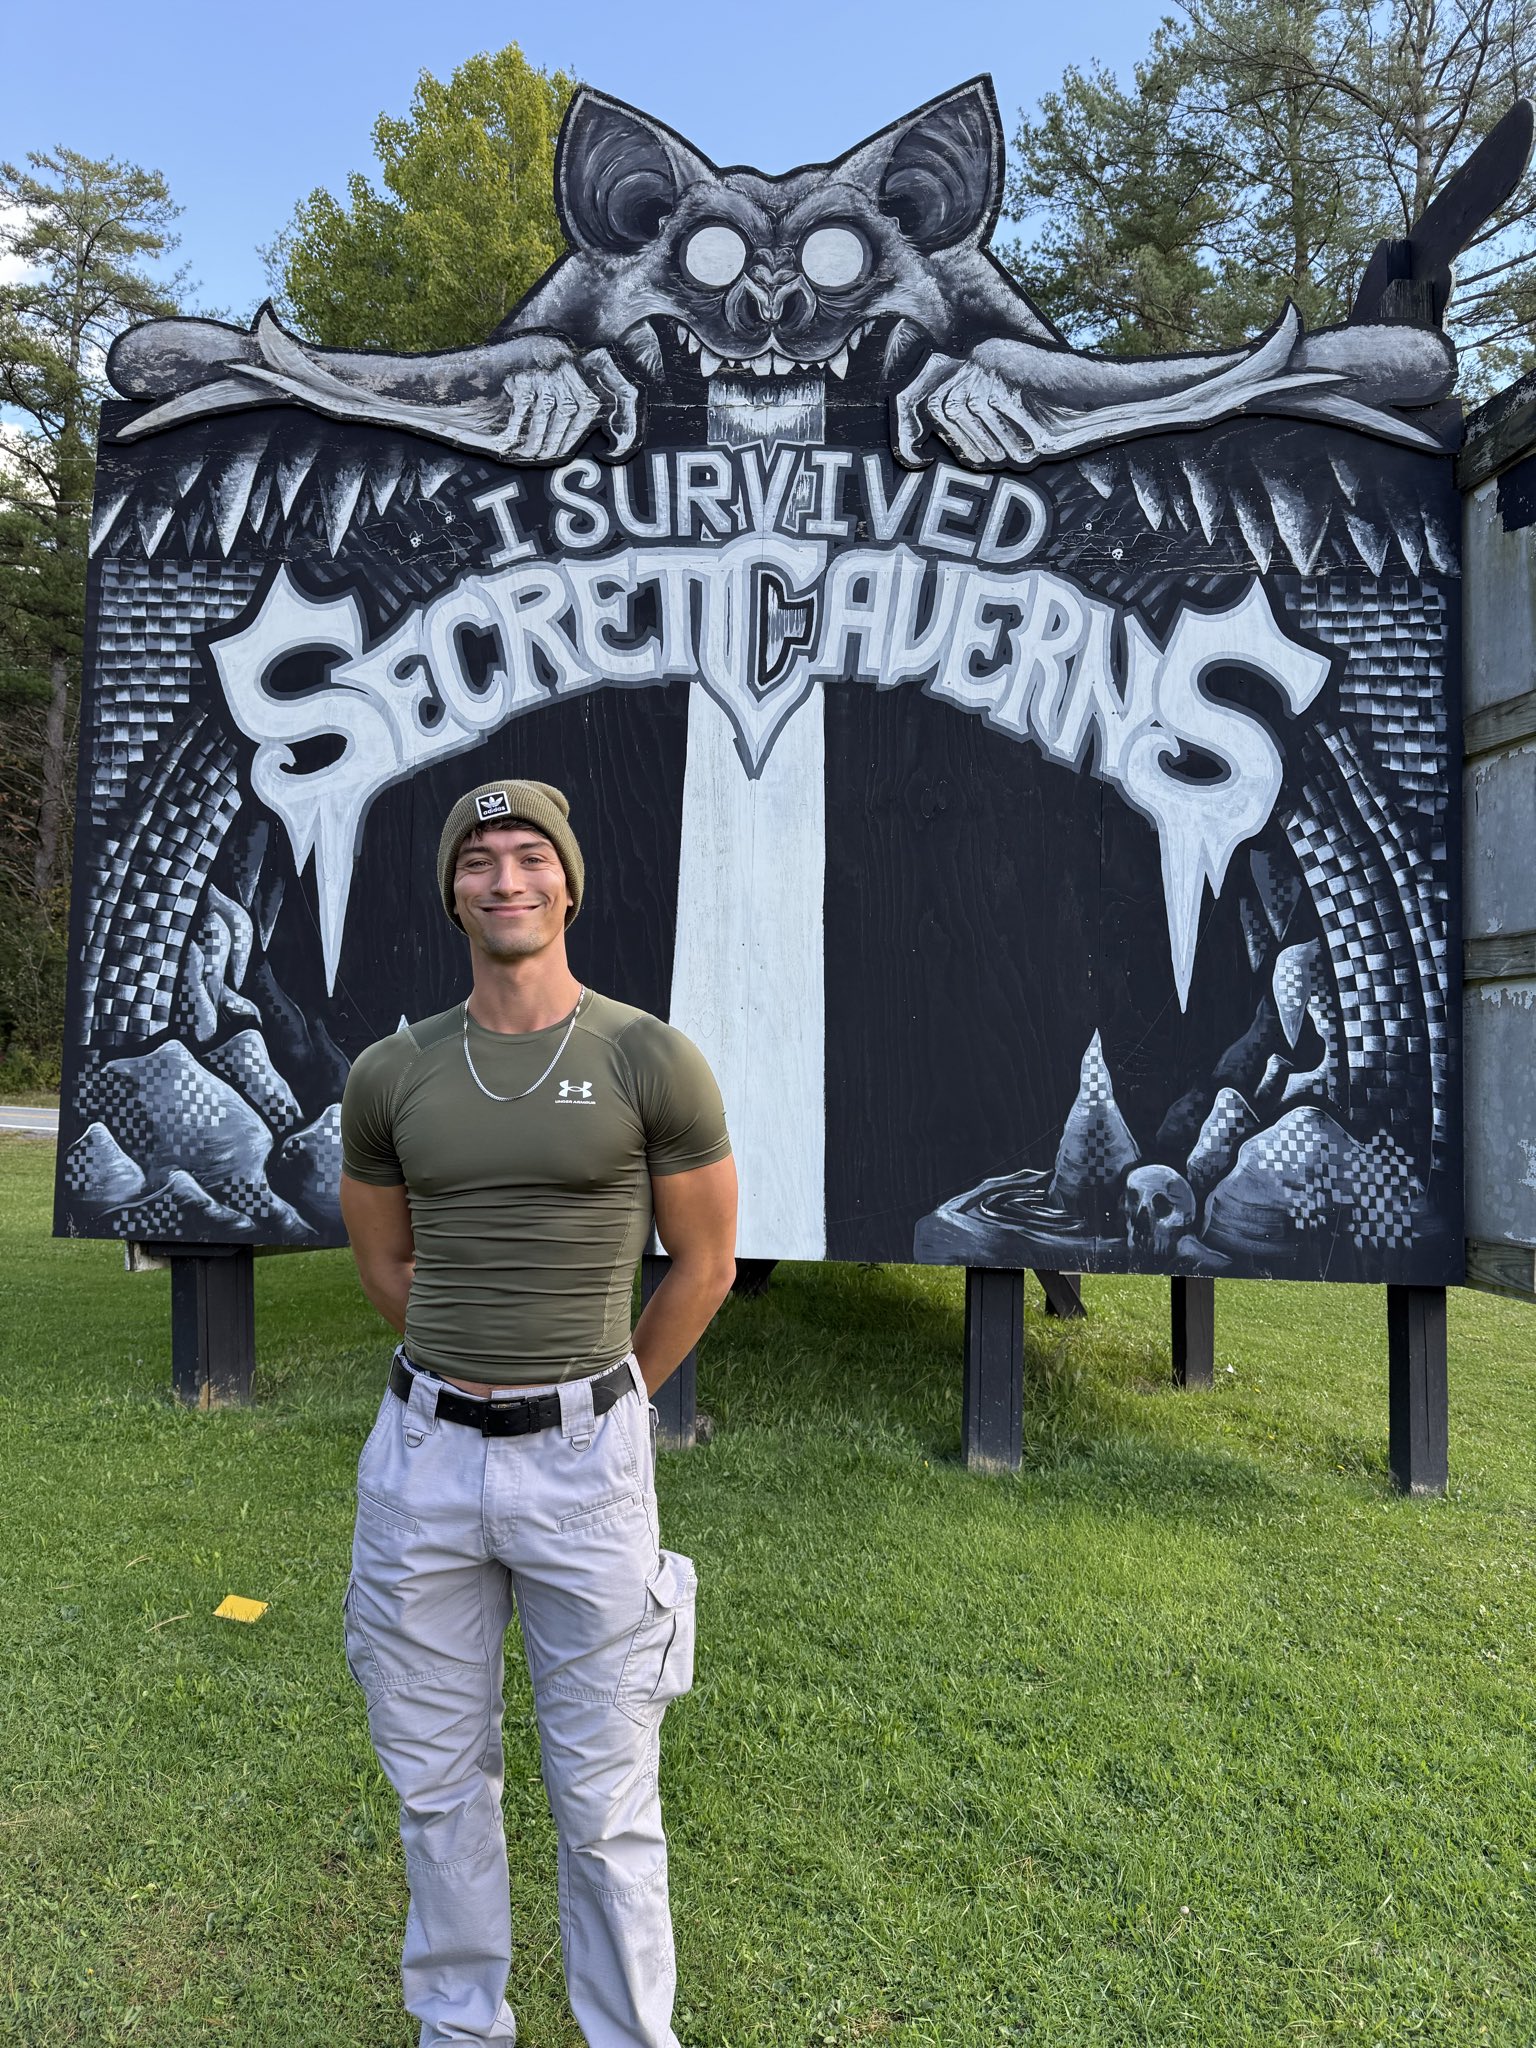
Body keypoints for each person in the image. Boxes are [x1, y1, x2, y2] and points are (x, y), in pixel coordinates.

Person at [338, 776, 738, 2048]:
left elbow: (706, 1263)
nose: (505, 878)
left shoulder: (647, 1056)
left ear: (568, 885)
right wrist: (471, 1375)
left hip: (586, 1464)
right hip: (422, 1461)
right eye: (479, 860)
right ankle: (462, 2029)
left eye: (529, 856)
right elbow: (387, 1266)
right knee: (437, 1783)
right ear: (451, 892)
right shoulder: (393, 1071)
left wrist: (601, 1398)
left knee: (607, 1798)